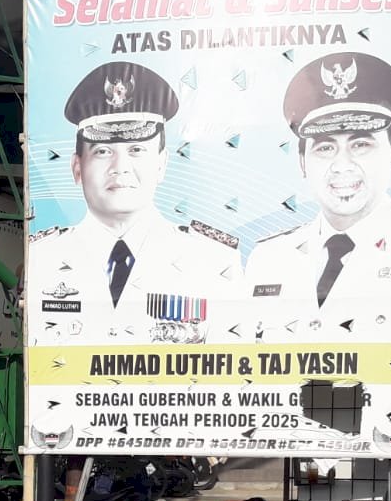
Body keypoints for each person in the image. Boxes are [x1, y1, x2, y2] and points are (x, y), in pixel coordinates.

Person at [28, 61, 242, 344]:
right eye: (103, 151)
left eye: (137, 149)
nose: (121, 167)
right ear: (77, 167)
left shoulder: (214, 259)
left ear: (162, 164)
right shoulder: (41, 259)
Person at [244, 52, 391, 317]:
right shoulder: (269, 259)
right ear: (302, 163)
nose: (342, 165)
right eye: (325, 147)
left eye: (361, 144)